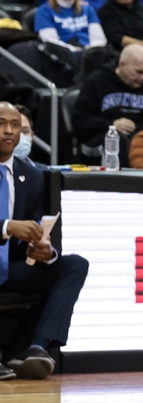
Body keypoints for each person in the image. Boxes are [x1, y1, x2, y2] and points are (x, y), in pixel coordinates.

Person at [0, 103, 89, 380]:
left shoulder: (31, 176)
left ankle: (37, 348)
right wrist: (6, 227)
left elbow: (34, 226)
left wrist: (42, 250)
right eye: (1, 124)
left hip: (11, 267)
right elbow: (12, 228)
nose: (9, 131)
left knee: (74, 265)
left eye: (15, 125)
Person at [71, 44, 143, 163]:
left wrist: (138, 128)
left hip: (139, 139)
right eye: (139, 72)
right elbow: (80, 120)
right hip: (100, 138)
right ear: (122, 64)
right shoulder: (97, 81)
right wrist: (112, 125)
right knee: (116, 139)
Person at [36, 0, 109, 54]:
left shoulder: (88, 9)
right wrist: (75, 51)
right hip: (64, 55)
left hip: (91, 54)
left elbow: (99, 40)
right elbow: (51, 42)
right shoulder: (44, 12)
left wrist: (89, 50)